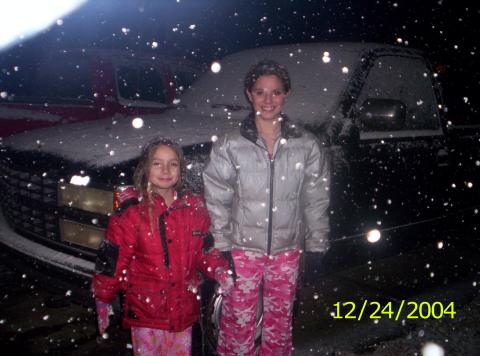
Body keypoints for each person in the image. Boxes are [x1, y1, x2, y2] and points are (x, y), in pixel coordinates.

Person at [203, 60, 330, 355]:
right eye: (260, 92)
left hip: (287, 251)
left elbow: (316, 198)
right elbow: (217, 197)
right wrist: (221, 244)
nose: (268, 100)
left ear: (287, 94)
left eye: (275, 92)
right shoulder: (230, 144)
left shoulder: (306, 145)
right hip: (243, 250)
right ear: (249, 94)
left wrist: (316, 246)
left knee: (280, 323)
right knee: (238, 322)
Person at [92, 137, 234, 356]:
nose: (165, 170)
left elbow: (204, 249)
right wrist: (103, 297)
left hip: (183, 311)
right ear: (146, 168)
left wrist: (218, 268)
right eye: (157, 163)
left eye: (173, 163)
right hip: (147, 314)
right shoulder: (131, 214)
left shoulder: (194, 209)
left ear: (180, 170)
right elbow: (112, 260)